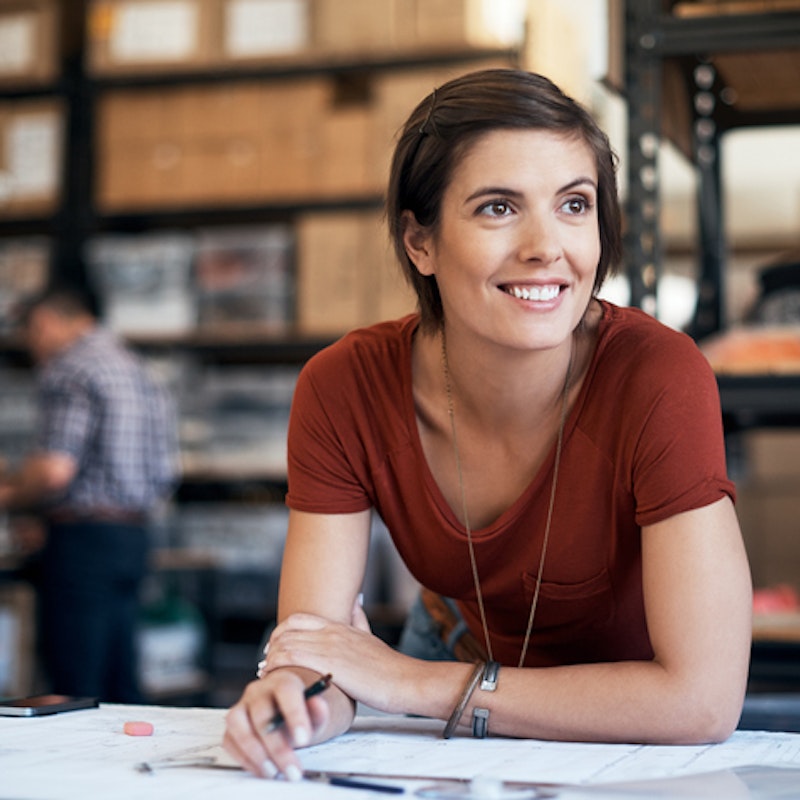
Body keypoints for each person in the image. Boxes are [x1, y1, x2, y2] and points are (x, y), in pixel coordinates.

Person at [223, 69, 752, 779]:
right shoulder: (344, 386)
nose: (545, 246)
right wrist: (294, 699)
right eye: (499, 208)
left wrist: (407, 683)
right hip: (456, 659)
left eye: (574, 204)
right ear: (421, 243)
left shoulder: (659, 375)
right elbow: (325, 652)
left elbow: (701, 703)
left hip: (620, 726)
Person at [0, 284, 180, 702]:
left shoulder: (72, 368)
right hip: (134, 536)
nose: (33, 349)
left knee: (74, 684)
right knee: (120, 682)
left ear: (45, 323)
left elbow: (54, 470)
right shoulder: (139, 369)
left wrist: (8, 495)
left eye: (31, 336)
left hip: (83, 541)